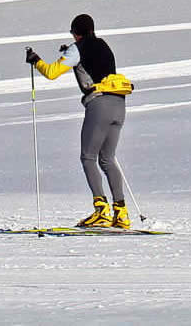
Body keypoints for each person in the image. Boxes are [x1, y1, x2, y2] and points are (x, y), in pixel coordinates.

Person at [26, 14, 134, 228]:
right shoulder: (103, 45)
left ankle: (101, 210)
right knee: (108, 159)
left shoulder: (77, 48)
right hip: (119, 104)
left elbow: (51, 72)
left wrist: (35, 60)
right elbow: (94, 63)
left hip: (99, 105)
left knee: (88, 157)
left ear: (76, 32)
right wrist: (72, 52)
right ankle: (120, 213)